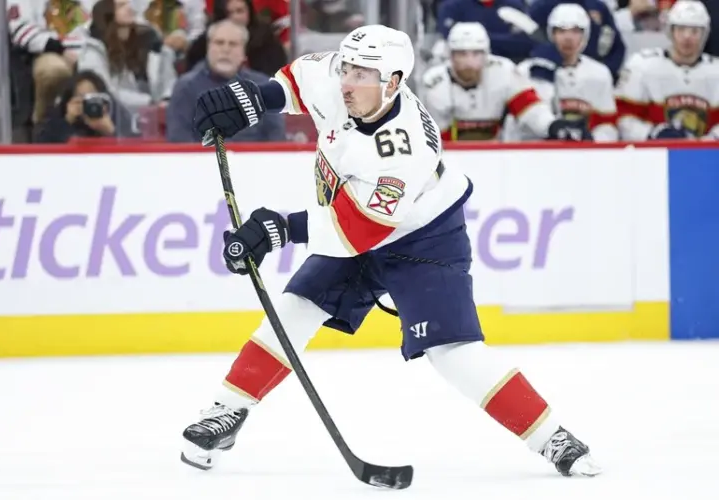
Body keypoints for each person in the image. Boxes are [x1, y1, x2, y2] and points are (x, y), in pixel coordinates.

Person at [184, 24, 603, 478]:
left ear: (395, 82)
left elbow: (357, 232)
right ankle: (225, 412)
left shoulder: (403, 152)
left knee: (454, 352)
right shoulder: (341, 78)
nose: (346, 82)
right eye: (346, 69)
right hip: (358, 220)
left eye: (362, 75)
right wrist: (251, 101)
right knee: (294, 308)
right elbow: (296, 82)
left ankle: (552, 437)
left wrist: (279, 229)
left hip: (425, 237)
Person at [421, 22, 590, 141]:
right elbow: (435, 140)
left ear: (486, 54)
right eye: (462, 54)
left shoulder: (503, 70)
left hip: (495, 156)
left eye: (476, 54)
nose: (469, 63)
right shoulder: (435, 84)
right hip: (451, 159)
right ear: (451, 56)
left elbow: (529, 108)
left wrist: (552, 125)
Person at [504, 4, 618, 142]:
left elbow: (607, 125)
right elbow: (523, 121)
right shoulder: (527, 70)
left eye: (575, 31)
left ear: (585, 35)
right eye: (561, 31)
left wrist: (592, 140)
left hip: (586, 153)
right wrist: (544, 71)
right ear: (552, 34)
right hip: (537, 151)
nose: (568, 38)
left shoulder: (600, 73)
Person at [166, 18, 285, 142]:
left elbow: (276, 136)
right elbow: (179, 139)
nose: (225, 49)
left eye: (233, 44)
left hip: (253, 159)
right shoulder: (186, 87)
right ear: (208, 48)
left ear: (244, 52)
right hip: (202, 159)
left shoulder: (263, 85)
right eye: (219, 43)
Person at [615, 0, 719, 140]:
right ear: (670, 31)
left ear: (704, 34)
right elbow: (622, 117)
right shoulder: (642, 65)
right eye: (681, 29)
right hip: (653, 156)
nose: (687, 37)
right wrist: (652, 133)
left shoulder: (715, 70)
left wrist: (713, 139)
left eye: (695, 31)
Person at [34, 69, 138, 142]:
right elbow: (44, 148)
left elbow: (132, 151)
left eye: (92, 97)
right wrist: (67, 122)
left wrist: (110, 133)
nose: (89, 104)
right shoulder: (57, 122)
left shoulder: (116, 114)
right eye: (81, 98)